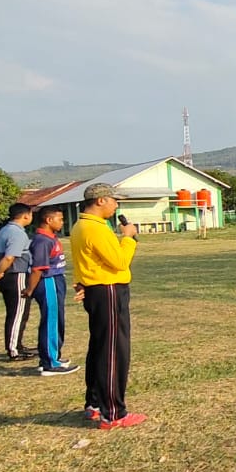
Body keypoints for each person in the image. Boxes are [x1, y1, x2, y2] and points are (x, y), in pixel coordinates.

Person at [70, 183, 146, 430]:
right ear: (101, 201)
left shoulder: (81, 226)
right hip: (109, 289)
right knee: (114, 350)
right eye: (114, 200)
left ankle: (94, 403)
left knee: (100, 347)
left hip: (96, 289)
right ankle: (113, 413)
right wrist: (128, 238)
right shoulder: (96, 229)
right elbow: (119, 261)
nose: (116, 206)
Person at [23, 206, 79, 375]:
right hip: (48, 282)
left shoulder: (50, 238)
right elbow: (38, 268)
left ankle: (51, 356)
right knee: (51, 321)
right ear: (49, 220)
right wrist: (30, 289)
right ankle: (50, 363)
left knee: (56, 319)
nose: (63, 222)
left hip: (56, 280)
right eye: (60, 219)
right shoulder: (42, 240)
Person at [0, 203, 36, 361]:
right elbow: (9, 257)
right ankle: (14, 350)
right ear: (25, 215)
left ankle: (17, 345)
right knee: (17, 314)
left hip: (9, 276)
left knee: (17, 313)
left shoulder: (5, 230)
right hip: (16, 275)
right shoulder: (17, 233)